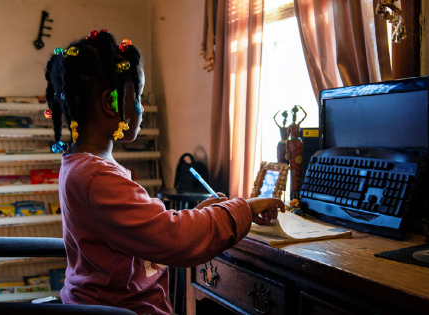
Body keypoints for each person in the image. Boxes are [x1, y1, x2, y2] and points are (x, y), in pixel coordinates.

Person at [44, 30, 285, 315]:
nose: (142, 109)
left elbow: (150, 227)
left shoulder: (79, 165)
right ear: (111, 103)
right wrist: (244, 208)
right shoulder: (98, 178)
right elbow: (175, 240)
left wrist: (202, 212)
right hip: (127, 309)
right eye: (140, 96)